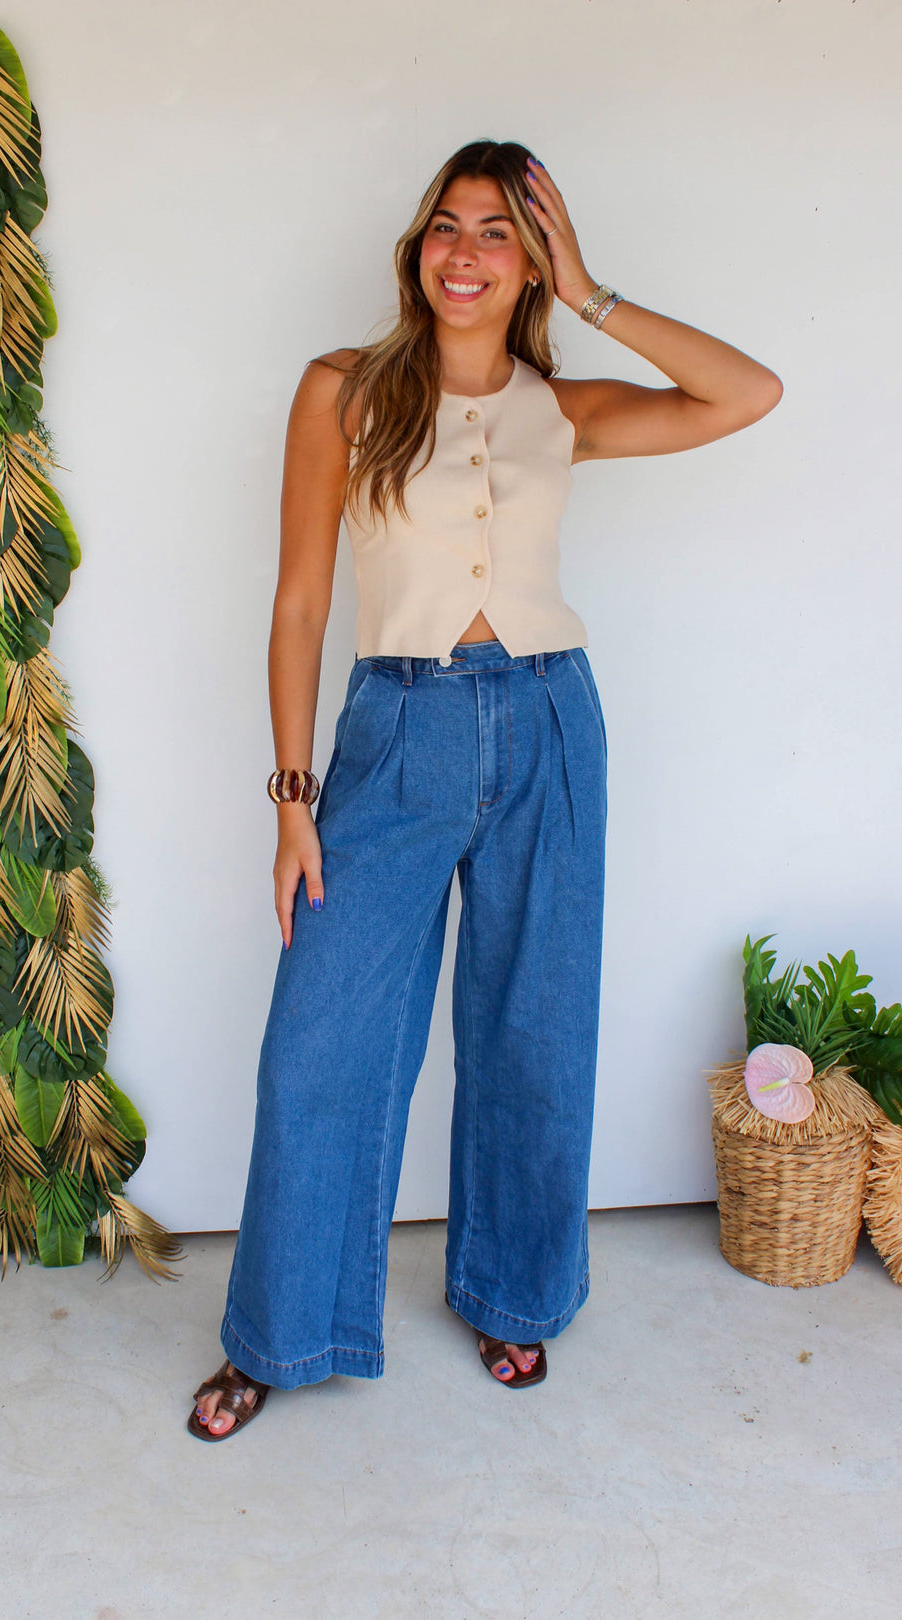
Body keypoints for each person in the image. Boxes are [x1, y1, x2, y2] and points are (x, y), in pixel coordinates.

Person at [188, 139, 782, 1440]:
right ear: (417, 249)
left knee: (533, 1031)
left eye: (499, 234)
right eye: (447, 226)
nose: (465, 251)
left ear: (530, 265)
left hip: (551, 725)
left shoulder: (562, 409)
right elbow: (298, 602)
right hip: (394, 734)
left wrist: (597, 293)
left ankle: (514, 1291)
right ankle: (278, 1334)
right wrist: (293, 795)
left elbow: (748, 393)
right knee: (320, 1052)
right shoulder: (341, 390)